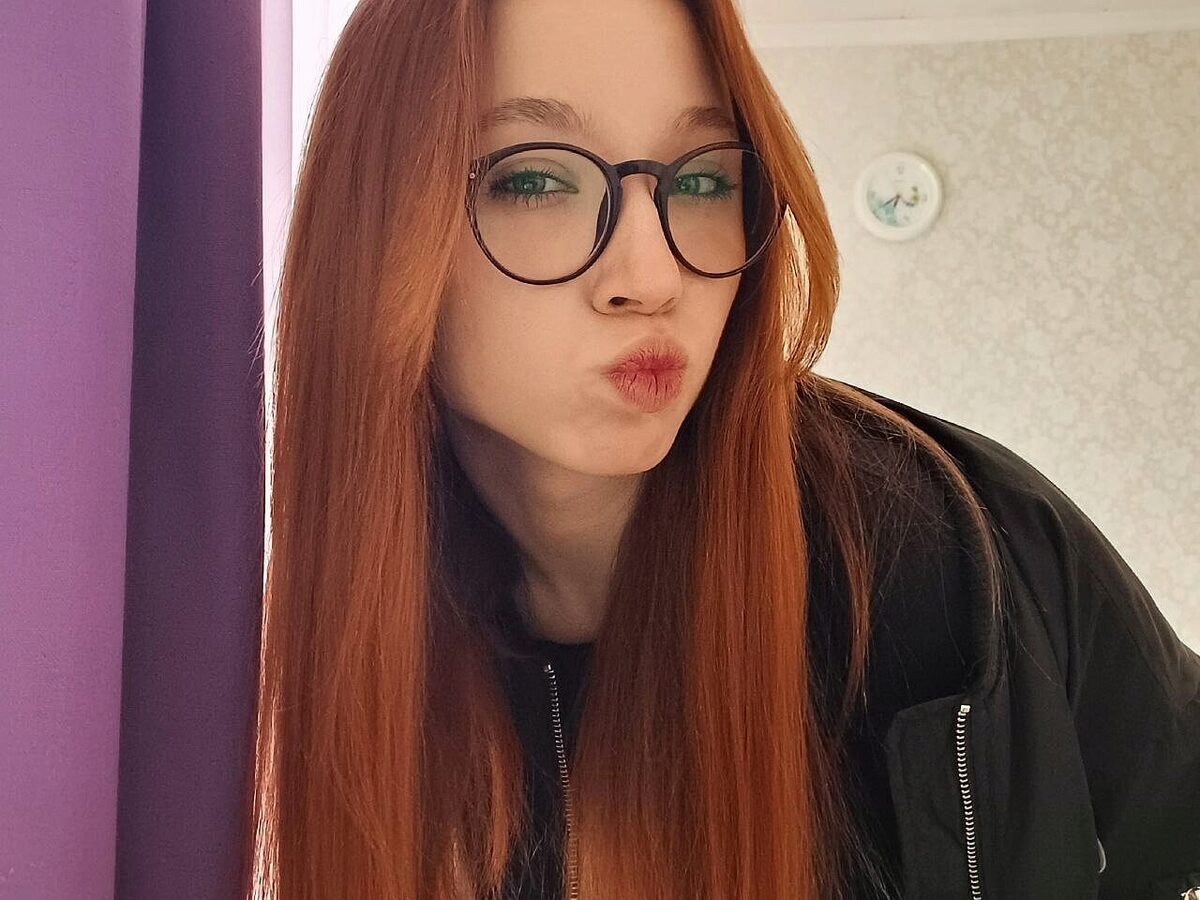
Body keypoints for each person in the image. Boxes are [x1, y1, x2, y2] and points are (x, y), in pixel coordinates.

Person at [247, 0, 1200, 897]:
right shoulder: (313, 632)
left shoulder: (956, 547)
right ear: (378, 227)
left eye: (702, 180)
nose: (652, 274)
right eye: (533, 180)